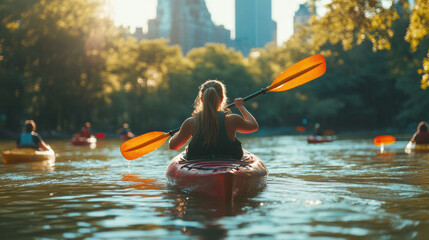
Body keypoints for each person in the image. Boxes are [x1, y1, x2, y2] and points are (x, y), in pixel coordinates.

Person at [169, 80, 258, 160]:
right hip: (229, 162)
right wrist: (241, 107)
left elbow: (173, 145)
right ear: (222, 99)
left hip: (198, 164)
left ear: (201, 99)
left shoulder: (190, 122)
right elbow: (254, 126)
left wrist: (182, 130)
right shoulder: (233, 119)